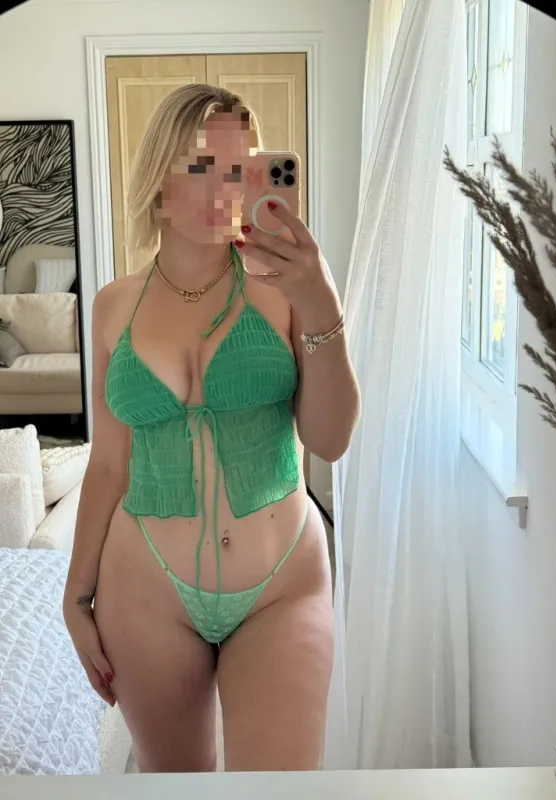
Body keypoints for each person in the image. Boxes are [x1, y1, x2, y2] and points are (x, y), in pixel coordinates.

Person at [63, 84, 360, 773]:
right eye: (202, 166)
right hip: (146, 593)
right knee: (176, 788)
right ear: (158, 176)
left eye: (240, 169)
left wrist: (322, 308)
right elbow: (108, 462)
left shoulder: (287, 287)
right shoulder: (112, 307)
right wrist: (76, 595)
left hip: (280, 586)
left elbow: (331, 439)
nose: (224, 188)